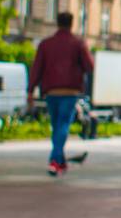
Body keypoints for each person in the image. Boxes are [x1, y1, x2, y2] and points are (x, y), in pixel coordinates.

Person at [27, 12, 94, 176]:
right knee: (63, 125)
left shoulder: (46, 44)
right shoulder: (78, 43)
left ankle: (60, 161)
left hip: (51, 91)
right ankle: (56, 160)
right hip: (70, 91)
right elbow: (90, 66)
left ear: (57, 23)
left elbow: (37, 68)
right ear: (72, 24)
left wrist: (30, 90)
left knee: (57, 125)